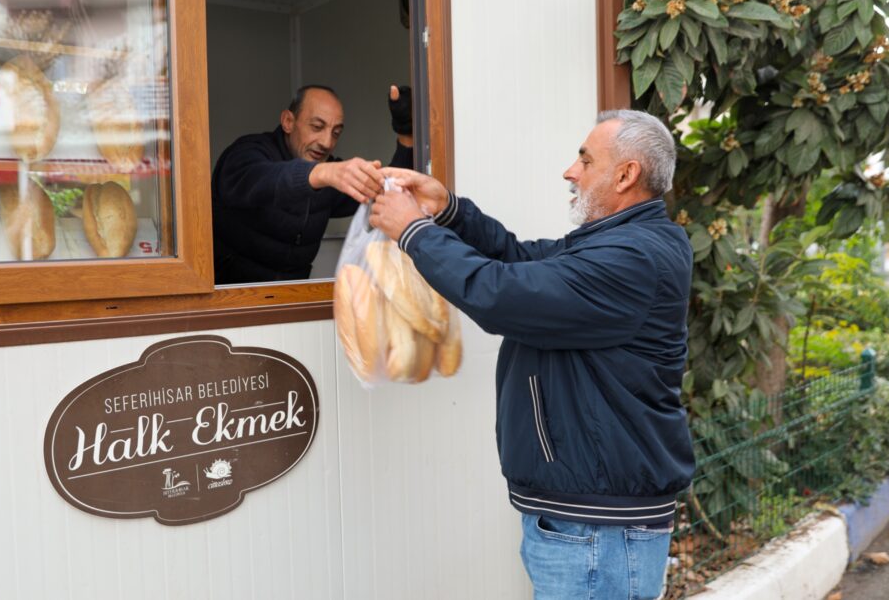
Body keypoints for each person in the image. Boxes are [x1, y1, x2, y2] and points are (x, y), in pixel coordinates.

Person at [369, 109, 694, 600]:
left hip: (598, 530)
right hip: (589, 521)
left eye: (585, 160)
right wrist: (450, 211)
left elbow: (501, 295)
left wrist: (414, 231)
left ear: (626, 175)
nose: (570, 171)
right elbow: (519, 260)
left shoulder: (632, 258)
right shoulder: (618, 243)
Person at [211, 84, 414, 284]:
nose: (327, 142)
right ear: (288, 121)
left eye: (336, 133)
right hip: (229, 299)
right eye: (317, 127)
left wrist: (406, 135)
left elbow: (385, 191)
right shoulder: (248, 152)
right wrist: (320, 173)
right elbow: (258, 179)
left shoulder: (329, 175)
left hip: (296, 298)